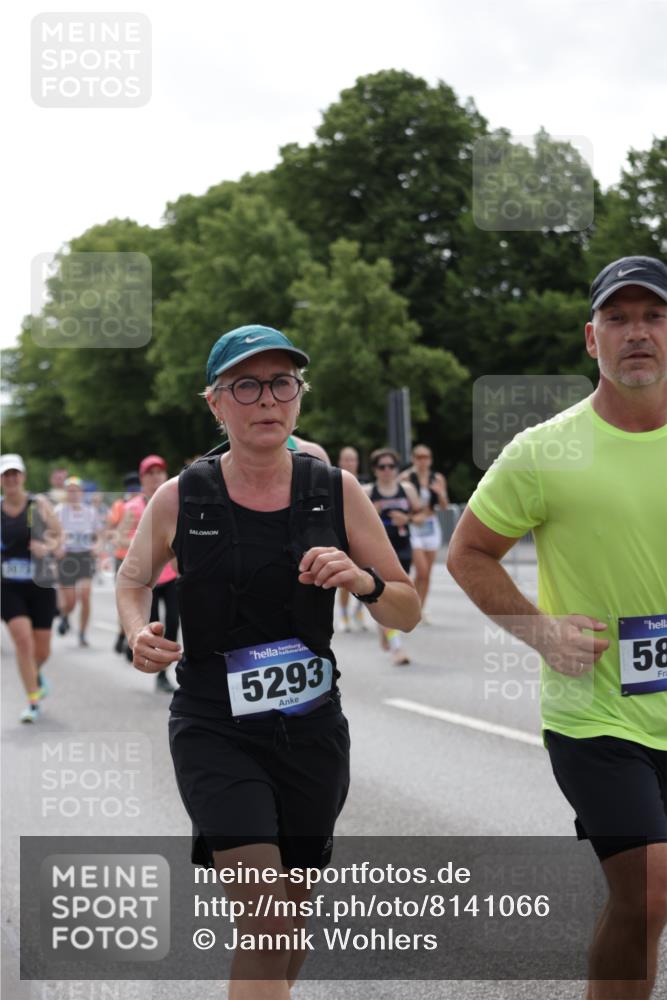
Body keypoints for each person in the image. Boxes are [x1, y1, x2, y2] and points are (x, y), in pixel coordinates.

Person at [116, 323, 420, 998]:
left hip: (311, 731)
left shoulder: (336, 490)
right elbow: (133, 577)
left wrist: (363, 581)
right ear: (215, 403)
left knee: (290, 918)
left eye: (282, 383)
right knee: (269, 920)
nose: (266, 399)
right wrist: (138, 631)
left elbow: (405, 607)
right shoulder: (181, 497)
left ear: (298, 397)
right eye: (246, 385)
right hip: (214, 728)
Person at [447, 256, 667, 999]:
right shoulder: (545, 450)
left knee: (648, 908)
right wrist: (541, 633)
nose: (636, 332)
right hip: (597, 717)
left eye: (653, 316)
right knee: (648, 893)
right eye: (618, 318)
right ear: (590, 337)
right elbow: (468, 552)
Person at [0, 454, 63, 722]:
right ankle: (33, 701)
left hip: (40, 584)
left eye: (15, 473)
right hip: (8, 586)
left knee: (42, 650)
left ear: (23, 476)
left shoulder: (37, 505)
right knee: (23, 642)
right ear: (1, 480)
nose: (11, 479)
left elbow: (59, 537)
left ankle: (34, 675)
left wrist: (46, 547)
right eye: (6, 475)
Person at [118, 455, 178, 692]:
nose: (155, 478)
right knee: (154, 626)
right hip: (147, 579)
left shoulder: (173, 502)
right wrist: (142, 543)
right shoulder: (133, 507)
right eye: (150, 474)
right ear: (142, 479)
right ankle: (153, 666)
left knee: (174, 622)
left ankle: (164, 674)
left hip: (171, 576)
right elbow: (120, 537)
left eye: (159, 473)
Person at [364, 448, 422, 665]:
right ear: (375, 470)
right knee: (383, 594)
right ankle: (397, 648)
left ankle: (384, 629)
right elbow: (357, 522)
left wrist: (406, 519)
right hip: (378, 550)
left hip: (403, 547)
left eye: (391, 466)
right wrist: (374, 513)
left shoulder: (406, 489)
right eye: (382, 466)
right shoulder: (368, 492)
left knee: (397, 594)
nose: (387, 470)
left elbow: (421, 515)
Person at [399, 443, 448, 621]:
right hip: (413, 527)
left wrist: (440, 494)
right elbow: (399, 502)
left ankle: (420, 609)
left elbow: (443, 506)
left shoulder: (437, 478)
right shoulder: (406, 478)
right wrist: (413, 517)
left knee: (426, 575)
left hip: (431, 526)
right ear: (413, 459)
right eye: (419, 457)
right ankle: (409, 606)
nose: (422, 461)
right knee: (421, 570)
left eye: (426, 457)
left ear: (430, 459)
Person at [54, 476, 99, 646]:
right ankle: (65, 614)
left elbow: (99, 535)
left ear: (81, 492)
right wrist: (57, 547)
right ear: (66, 493)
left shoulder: (90, 512)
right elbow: (51, 534)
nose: (73, 494)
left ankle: (82, 633)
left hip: (85, 555)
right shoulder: (59, 511)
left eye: (76, 490)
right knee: (71, 601)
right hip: (67, 557)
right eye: (70, 491)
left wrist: (97, 546)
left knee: (86, 596)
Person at [108, 472, 141, 654]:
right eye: (132, 490)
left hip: (143, 559)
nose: (135, 493)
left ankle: (126, 636)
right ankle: (124, 635)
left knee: (139, 601)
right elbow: (111, 529)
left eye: (137, 489)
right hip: (123, 558)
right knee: (126, 600)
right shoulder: (120, 506)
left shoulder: (147, 504)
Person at [336, 446, 367, 631]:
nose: (349, 463)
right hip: (342, 535)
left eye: (352, 459)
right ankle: (344, 614)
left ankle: (359, 610)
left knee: (367, 575)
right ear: (340, 461)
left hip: (362, 536)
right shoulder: (334, 479)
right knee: (345, 579)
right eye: (346, 459)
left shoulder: (364, 483)